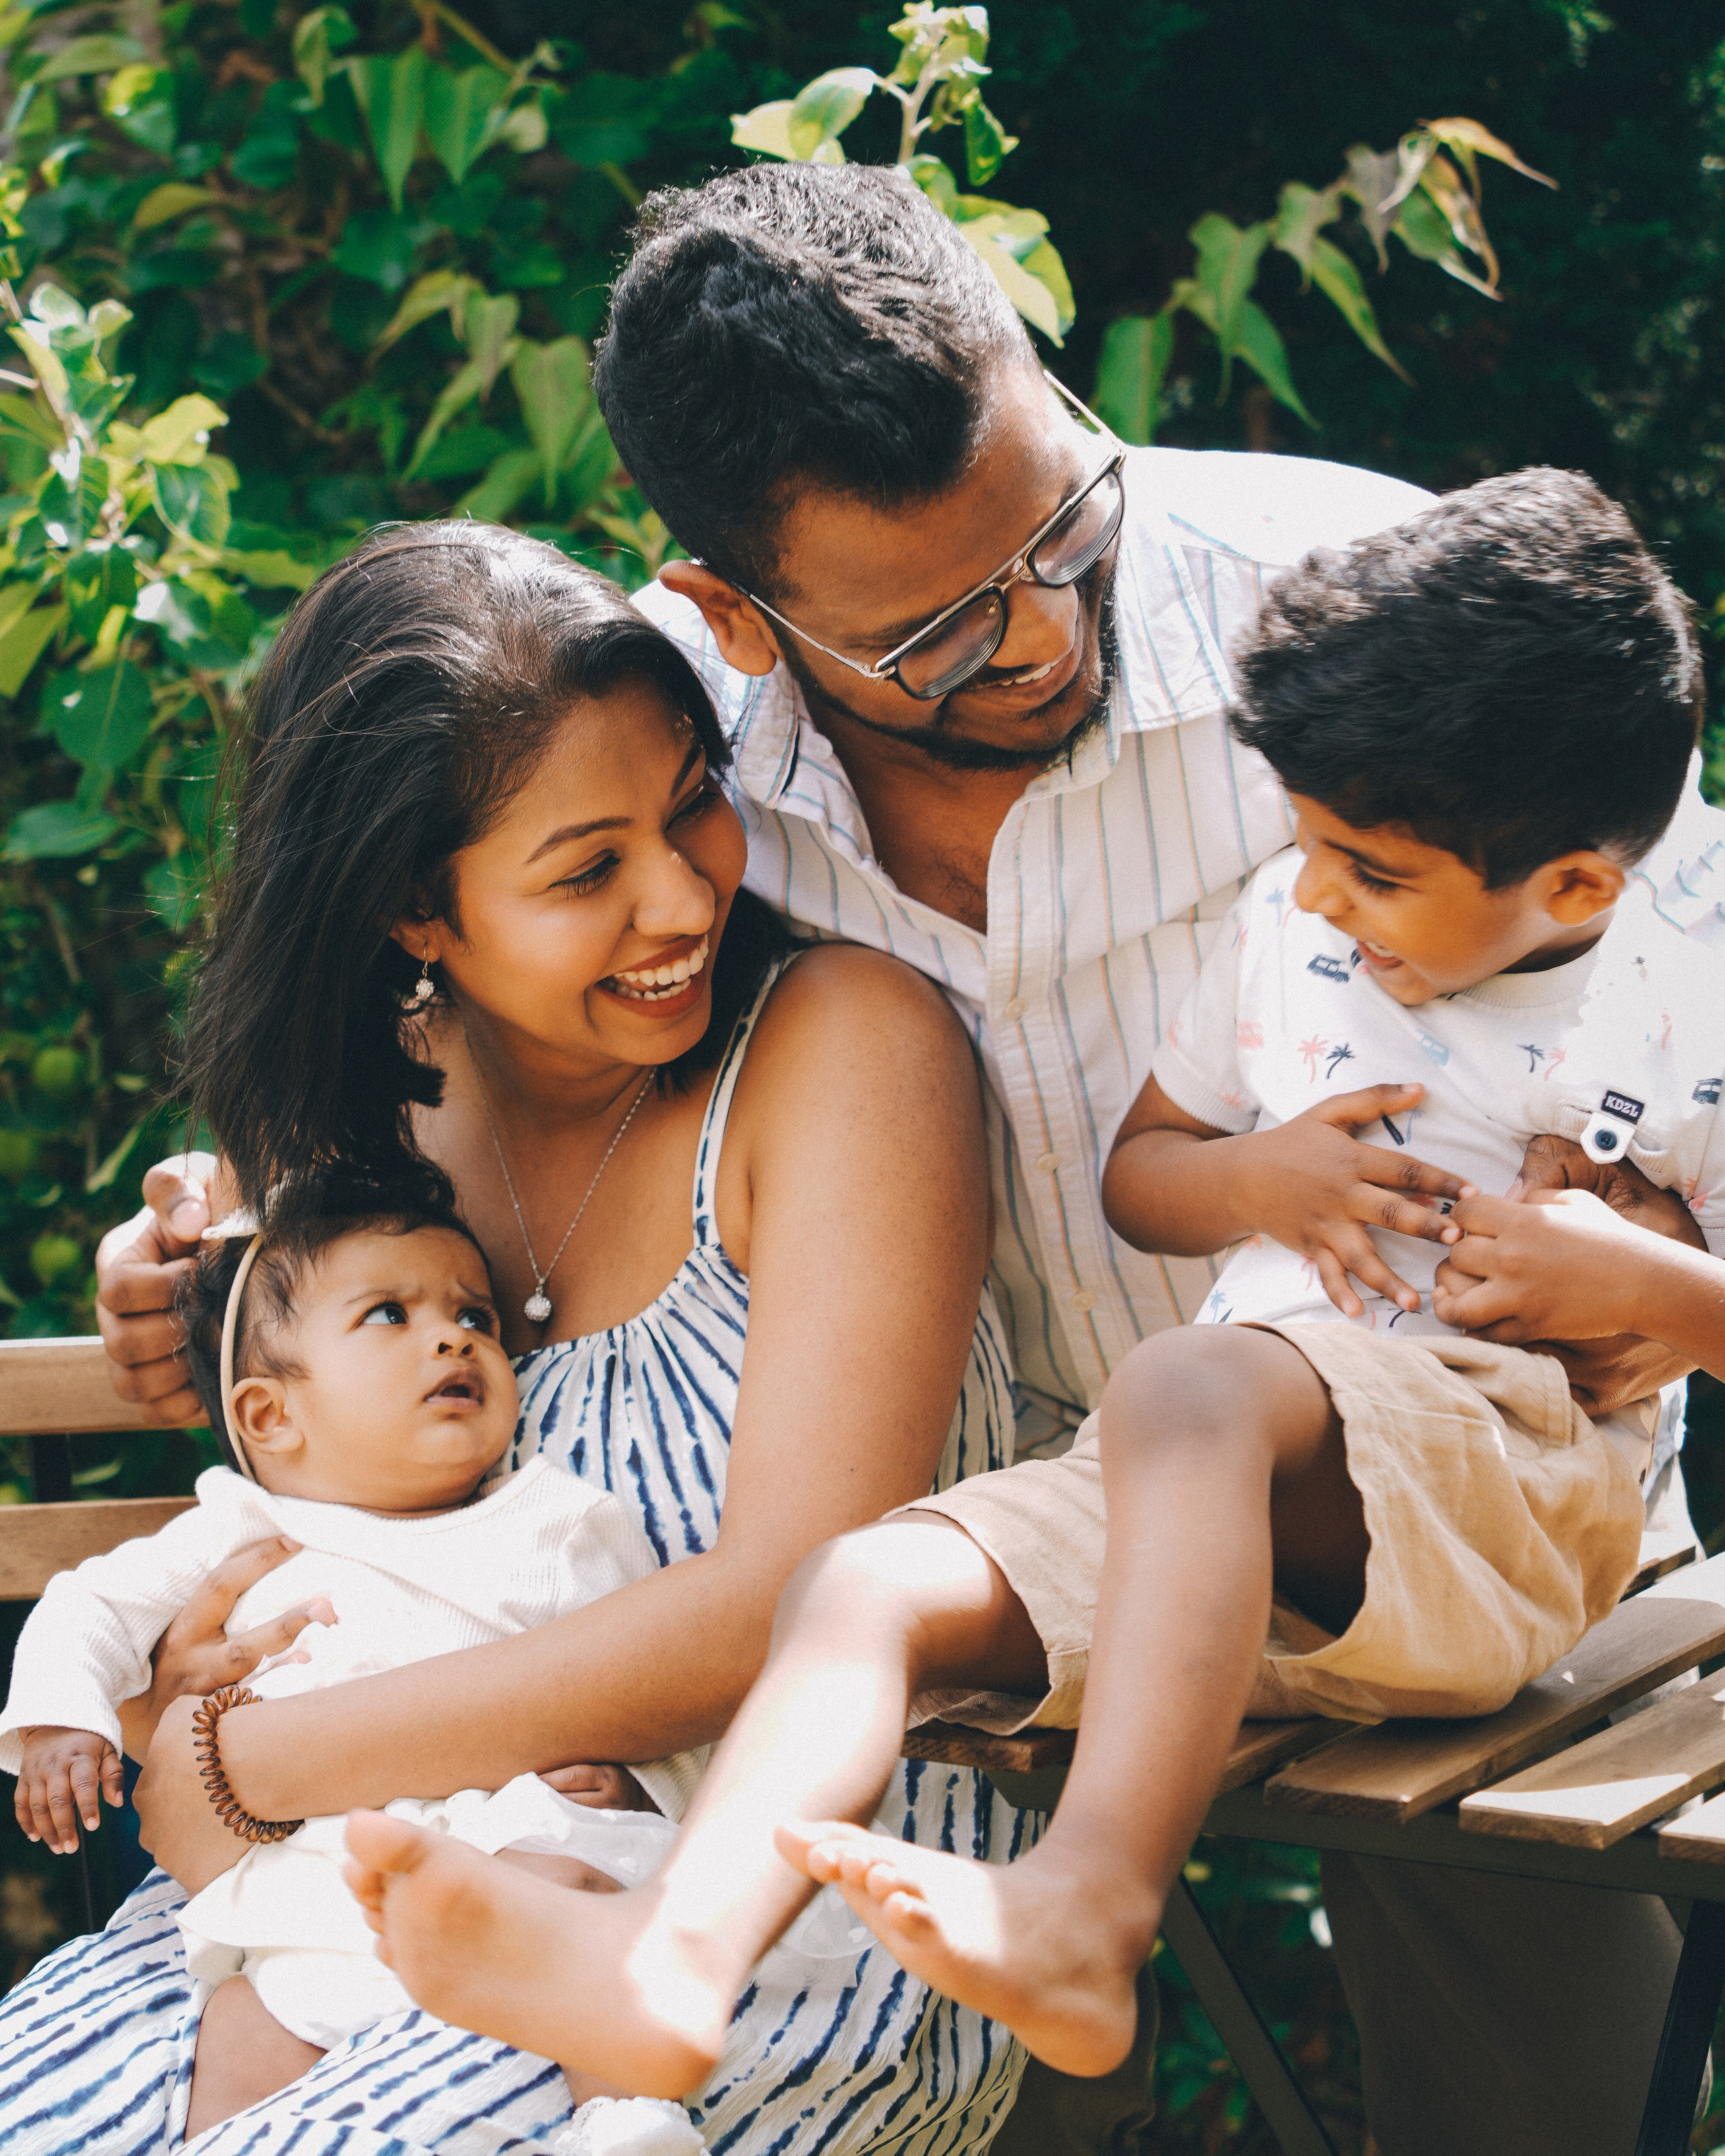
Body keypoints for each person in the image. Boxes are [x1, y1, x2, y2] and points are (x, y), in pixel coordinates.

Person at [94, 166, 1720, 2154]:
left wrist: (1638, 1234)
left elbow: (1635, 970)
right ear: (732, 615)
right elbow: (494, 982)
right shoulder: (685, 777)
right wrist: (251, 1228)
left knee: (1534, 2113)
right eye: (943, 626)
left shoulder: (1365, 627)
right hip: (977, 1592)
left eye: (1064, 524)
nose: (1040, 633)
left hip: (1432, 1496)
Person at [4, 521, 1027, 2156]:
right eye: (583, 867)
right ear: (420, 910)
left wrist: (242, 1754)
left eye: (692, 799)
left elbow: (785, 1603)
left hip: (753, 1914)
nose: (682, 891)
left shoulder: (841, 1055)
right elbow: (284, 1502)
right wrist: (179, 1281)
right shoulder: (363, 1120)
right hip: (318, 1914)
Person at [5, 1196, 714, 2155]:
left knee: (571, 1902)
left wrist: (643, 1788)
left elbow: (671, 1697)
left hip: (507, 1858)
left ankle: (625, 2117)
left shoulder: (560, 1523)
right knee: (242, 2028)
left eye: (476, 1318)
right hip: (311, 1900)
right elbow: (90, 1605)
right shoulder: (244, 1527)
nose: (452, 1341)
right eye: (392, 1314)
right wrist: (60, 1720)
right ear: (271, 1412)